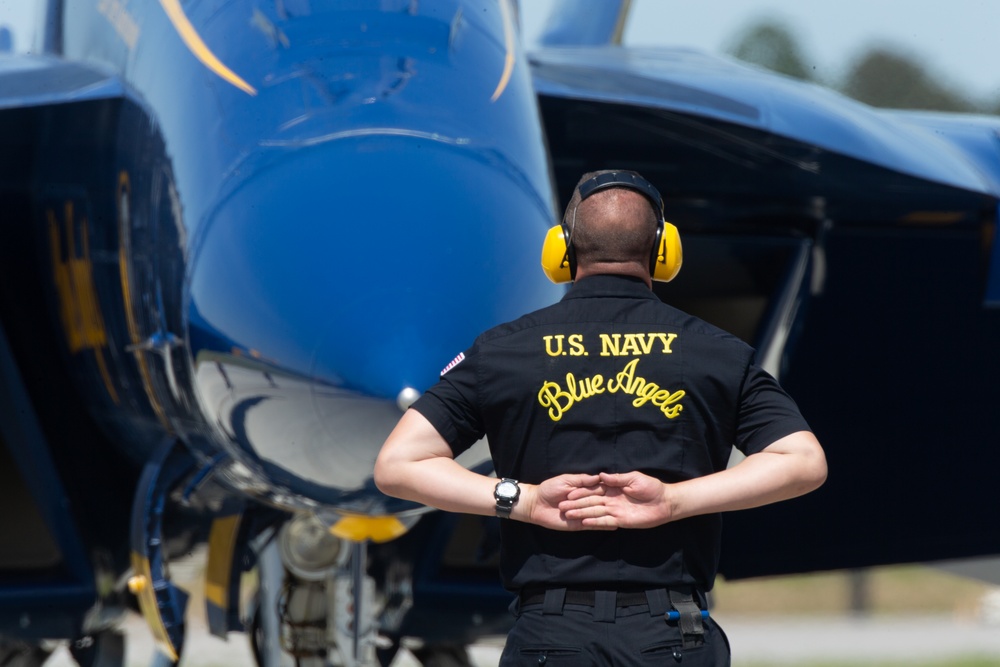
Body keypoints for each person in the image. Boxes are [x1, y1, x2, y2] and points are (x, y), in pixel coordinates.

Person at [374, 169, 827, 666]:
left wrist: (522, 501)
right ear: (663, 251)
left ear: (562, 250)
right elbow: (802, 460)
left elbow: (399, 465)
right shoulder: (717, 353)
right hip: (674, 637)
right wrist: (673, 501)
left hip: (549, 637)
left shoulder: (503, 352)